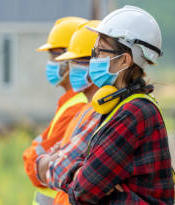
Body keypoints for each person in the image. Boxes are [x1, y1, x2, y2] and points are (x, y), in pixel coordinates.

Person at [47, 6, 175, 204]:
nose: (94, 60)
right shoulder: (119, 106)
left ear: (124, 60)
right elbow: (88, 182)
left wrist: (82, 174)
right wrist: (87, 174)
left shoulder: (133, 113)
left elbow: (82, 191)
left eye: (99, 52)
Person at [22, 16, 89, 205]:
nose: (50, 63)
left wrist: (36, 157)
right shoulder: (68, 103)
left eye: (53, 55)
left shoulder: (77, 107)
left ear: (69, 59)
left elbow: (34, 168)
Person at [35, 20, 101, 205]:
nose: (69, 67)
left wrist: (52, 159)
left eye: (76, 61)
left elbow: (53, 168)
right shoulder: (83, 107)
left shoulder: (88, 109)